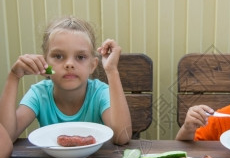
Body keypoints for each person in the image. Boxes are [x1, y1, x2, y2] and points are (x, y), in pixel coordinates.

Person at [0, 16, 132, 145]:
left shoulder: (99, 93)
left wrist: (112, 71)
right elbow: (6, 137)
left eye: (80, 57)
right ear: (45, 62)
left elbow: (122, 137)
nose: (69, 64)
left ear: (92, 65)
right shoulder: (39, 94)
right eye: (58, 56)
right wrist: (13, 77)